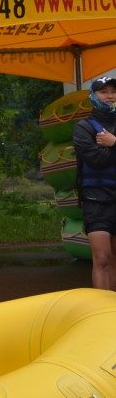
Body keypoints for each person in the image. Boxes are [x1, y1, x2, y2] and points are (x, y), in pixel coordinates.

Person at [72, 76, 116, 291]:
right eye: (104, 92)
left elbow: (106, 154)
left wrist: (113, 142)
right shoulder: (83, 127)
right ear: (93, 95)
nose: (110, 96)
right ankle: (102, 308)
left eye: (113, 92)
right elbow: (96, 159)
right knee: (102, 258)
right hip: (96, 199)